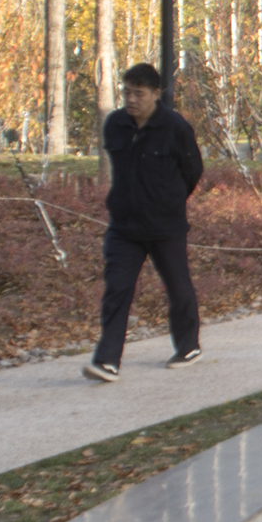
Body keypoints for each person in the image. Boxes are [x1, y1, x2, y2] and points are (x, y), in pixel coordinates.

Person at [87, 63, 203, 382]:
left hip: (165, 226)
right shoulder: (114, 125)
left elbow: (193, 170)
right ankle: (107, 360)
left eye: (138, 93)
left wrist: (169, 199)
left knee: (178, 288)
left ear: (156, 94)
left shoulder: (175, 127)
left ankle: (188, 345)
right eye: (126, 92)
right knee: (117, 288)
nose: (131, 99)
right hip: (124, 227)